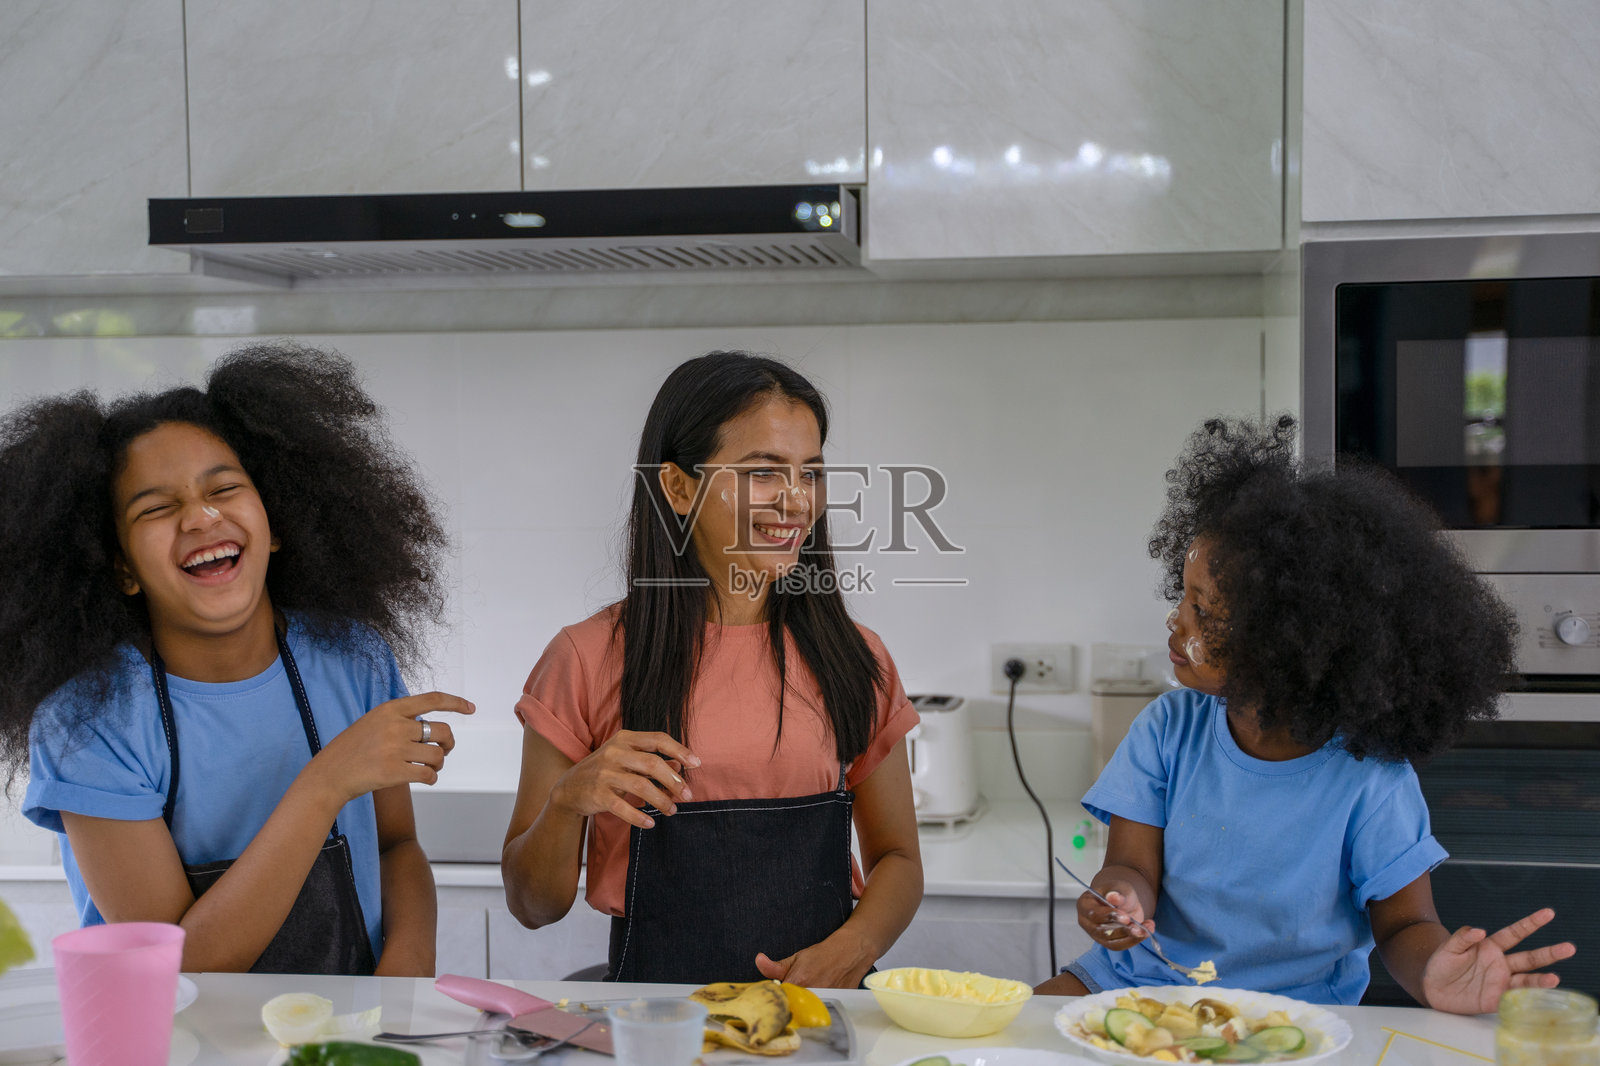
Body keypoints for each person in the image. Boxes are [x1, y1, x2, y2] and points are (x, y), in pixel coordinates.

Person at [1036, 415, 1576, 1011]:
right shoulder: (1167, 729)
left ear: (1289, 642)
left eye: (1203, 611)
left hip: (1293, 1012)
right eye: (1181, 597)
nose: (1175, 619)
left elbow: (1404, 925)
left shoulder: (1372, 778)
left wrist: (1434, 974)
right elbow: (1130, 867)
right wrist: (1117, 900)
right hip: (1137, 982)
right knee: (1014, 1029)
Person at [9, 342, 473, 975]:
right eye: (157, 508)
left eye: (223, 488)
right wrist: (326, 783)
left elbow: (396, 845)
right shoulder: (86, 722)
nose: (201, 517)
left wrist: (406, 971)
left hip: (353, 1024)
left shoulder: (354, 659)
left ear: (275, 524)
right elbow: (181, 966)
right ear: (121, 569)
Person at [502, 350, 922, 987]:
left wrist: (855, 946)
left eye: (811, 473)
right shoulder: (584, 659)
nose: (796, 501)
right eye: (764, 472)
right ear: (678, 488)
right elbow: (533, 907)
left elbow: (899, 859)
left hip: (819, 1017)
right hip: (654, 1024)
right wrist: (565, 804)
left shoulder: (856, 658)